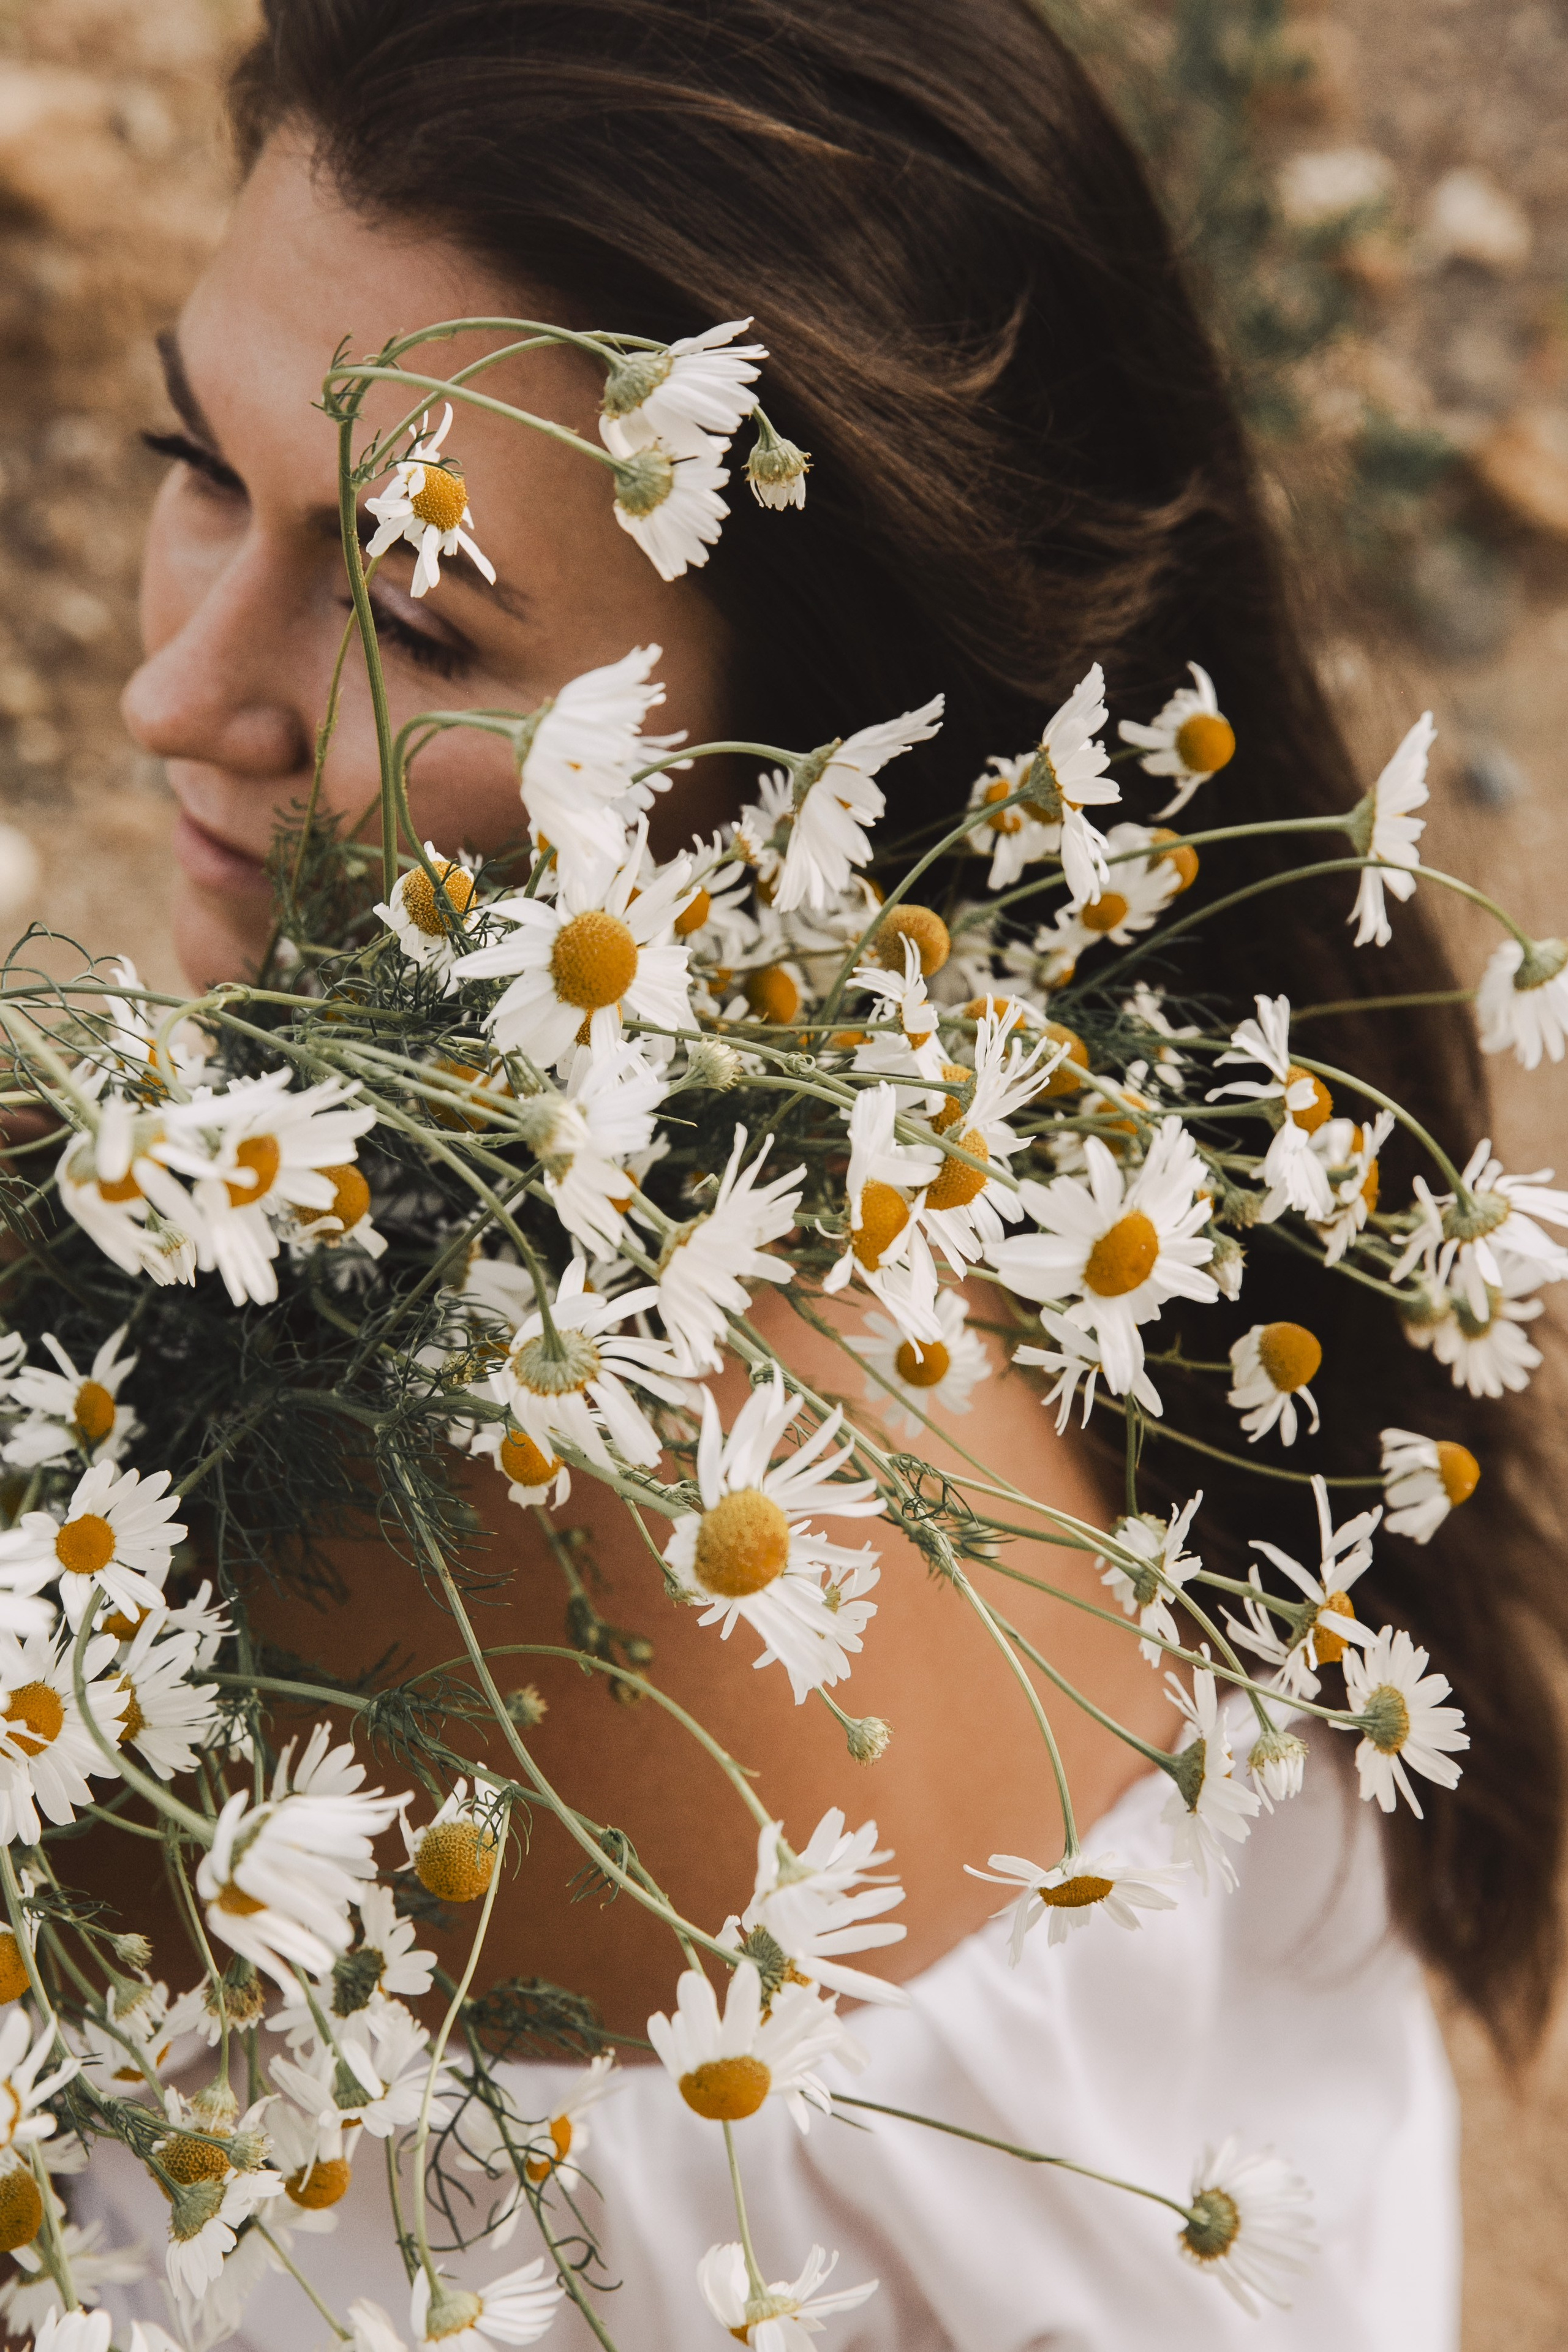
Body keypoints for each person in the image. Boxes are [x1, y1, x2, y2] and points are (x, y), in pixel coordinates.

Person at [72, 3, 1562, 2346]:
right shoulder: (1064, 1154)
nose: (175, 693)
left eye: (412, 614)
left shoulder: (525, 1505)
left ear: (819, 770)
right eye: (197, 461)